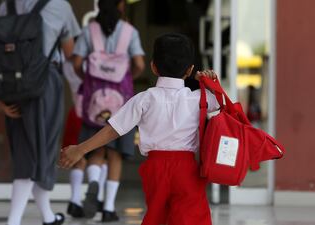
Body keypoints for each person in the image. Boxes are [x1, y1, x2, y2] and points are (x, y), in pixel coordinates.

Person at [59, 33, 219, 225]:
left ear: (153, 67)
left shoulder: (144, 99)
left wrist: (80, 149)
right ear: (191, 69)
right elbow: (224, 104)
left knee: (157, 216)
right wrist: (209, 82)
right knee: (193, 217)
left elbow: (114, 129)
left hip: (155, 168)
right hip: (187, 169)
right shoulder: (201, 98)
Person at [0, 0, 81, 225]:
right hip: (44, 81)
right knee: (43, 151)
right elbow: (70, 50)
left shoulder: (7, 5)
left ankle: (48, 217)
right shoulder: (60, 5)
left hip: (12, 83)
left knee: (25, 150)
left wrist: (0, 96)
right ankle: (13, 221)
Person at [70, 0, 145, 221]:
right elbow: (140, 64)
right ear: (121, 6)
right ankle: (109, 208)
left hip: (94, 100)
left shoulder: (88, 31)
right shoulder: (130, 32)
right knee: (115, 155)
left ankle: (93, 180)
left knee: (96, 150)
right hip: (120, 100)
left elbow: (76, 63)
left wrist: (88, 79)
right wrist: (127, 77)